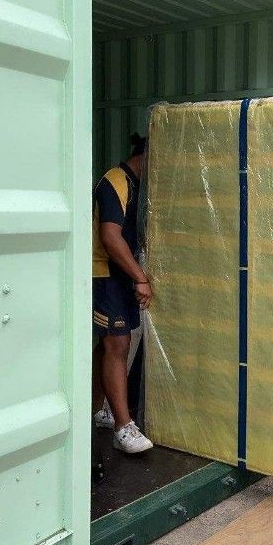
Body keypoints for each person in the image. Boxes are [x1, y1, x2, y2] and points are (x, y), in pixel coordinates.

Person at [92, 134, 154, 454]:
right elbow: (110, 237)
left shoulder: (135, 185)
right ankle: (122, 427)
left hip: (118, 275)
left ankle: (103, 408)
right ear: (145, 155)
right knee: (117, 344)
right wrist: (140, 278)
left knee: (108, 346)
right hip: (103, 273)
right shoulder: (116, 181)